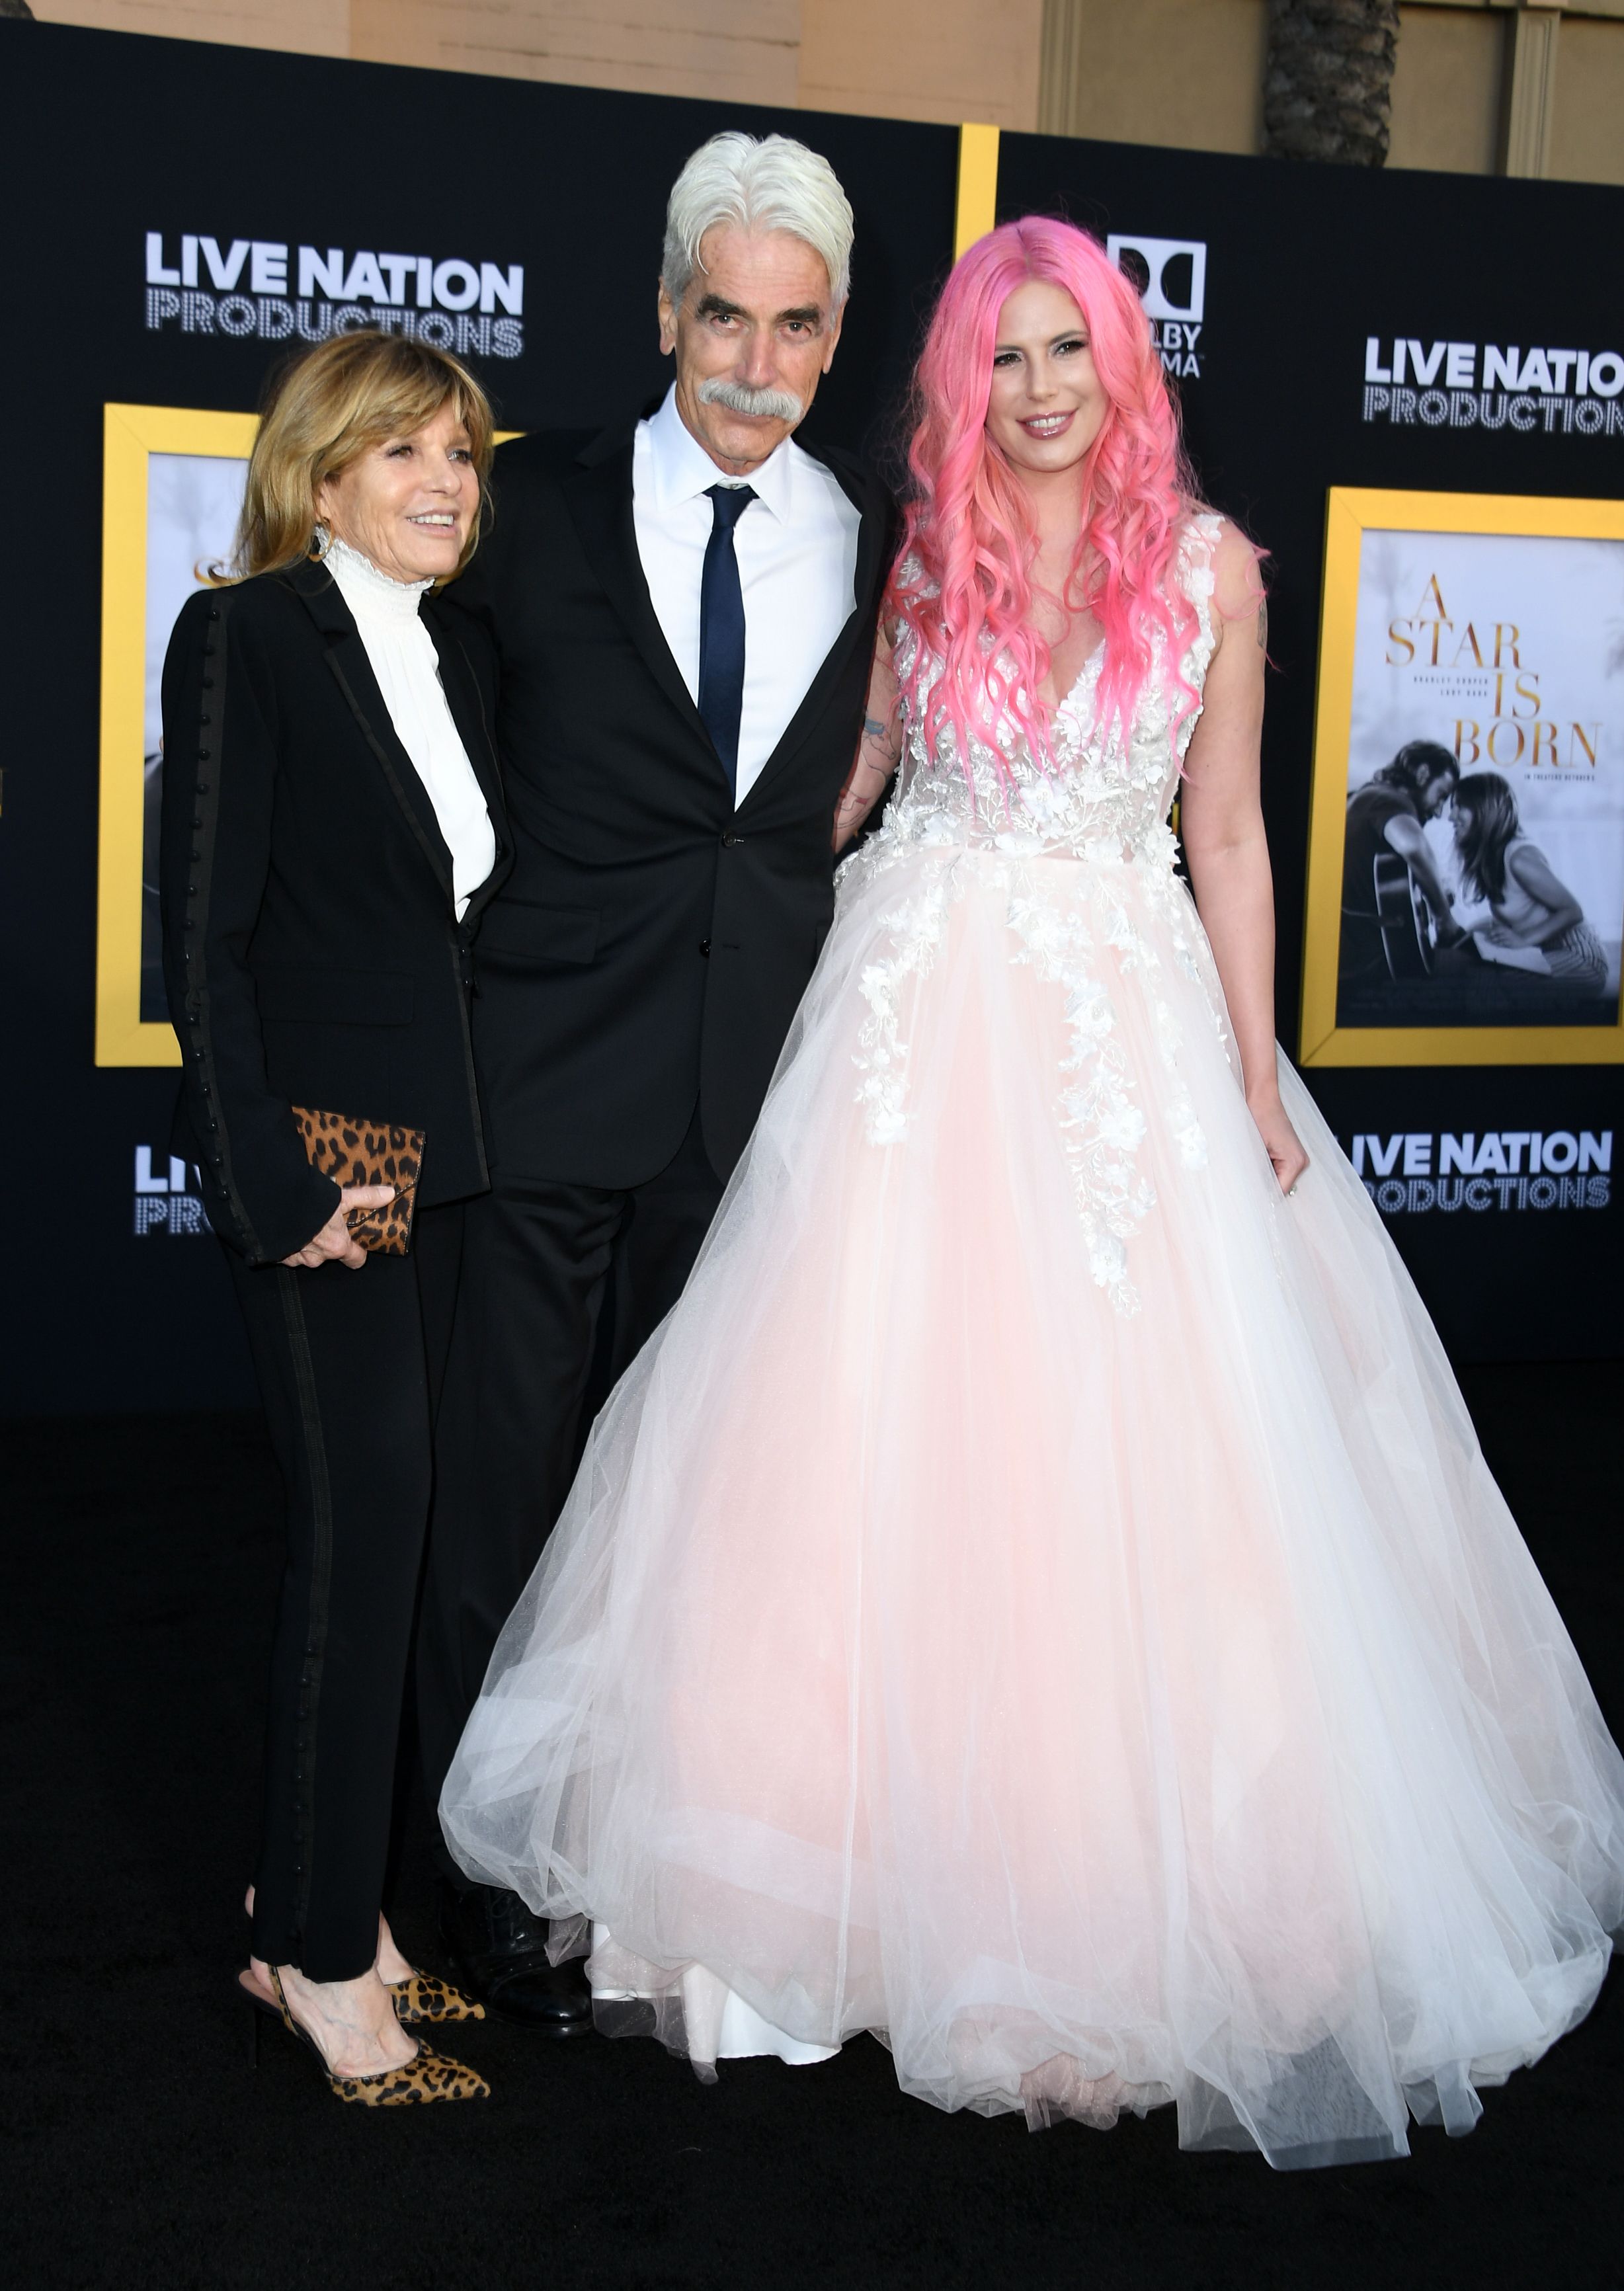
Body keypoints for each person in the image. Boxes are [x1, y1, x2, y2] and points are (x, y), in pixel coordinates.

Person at [440, 219, 1624, 2166]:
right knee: (845, 1442)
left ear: (1123, 365)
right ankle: (809, 1894)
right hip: (908, 1014)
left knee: (1148, 1470)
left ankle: (1117, 1916)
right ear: (960, 380)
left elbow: (1227, 835)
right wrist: (652, 869)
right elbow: (848, 787)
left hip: (1118, 1039)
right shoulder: (921, 552)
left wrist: (1248, 1077)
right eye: (1004, 356)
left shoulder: (1210, 566)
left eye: (1070, 349)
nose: (1040, 387)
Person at [419, 130, 895, 2026]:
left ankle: (629, 1861)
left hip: (751, 1112)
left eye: (793, 328)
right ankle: (469, 1880)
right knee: (502, 1504)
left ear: (834, 338)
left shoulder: (874, 543)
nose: (753, 365)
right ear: (665, 313)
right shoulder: (516, 508)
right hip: (531, 1082)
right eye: (724, 316)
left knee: (682, 1526)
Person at [160, 331, 509, 2104]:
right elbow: (201, 942)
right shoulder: (249, 635)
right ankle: (317, 1963)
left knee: (387, 1540)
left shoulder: (427, 645)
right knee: (362, 1538)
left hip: (425, 1155)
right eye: (403, 454)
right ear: (319, 476)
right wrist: (277, 1184)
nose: (445, 480)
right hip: (334, 1153)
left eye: (459, 452)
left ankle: (324, 1911)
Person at [1449, 770, 1609, 994]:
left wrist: (1523, 939)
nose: (1451, 816)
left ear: (1484, 810)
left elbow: (1573, 910)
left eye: (1459, 806)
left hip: (1578, 957)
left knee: (1483, 984)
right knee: (1465, 952)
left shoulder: (1520, 859)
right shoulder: (1494, 855)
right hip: (1541, 952)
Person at [1338, 739, 1463, 987]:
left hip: (1351, 961)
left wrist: (1430, 890)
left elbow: (1383, 883)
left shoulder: (1360, 797)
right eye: (1441, 796)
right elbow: (1413, 847)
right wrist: (1444, 918)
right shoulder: (1390, 799)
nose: (1439, 811)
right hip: (1371, 966)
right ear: (1423, 774)